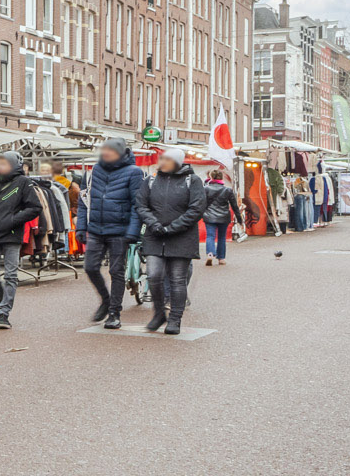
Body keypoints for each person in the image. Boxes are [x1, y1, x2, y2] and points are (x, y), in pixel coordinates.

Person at [137, 145, 206, 334]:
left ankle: (175, 319)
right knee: (153, 275)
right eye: (162, 159)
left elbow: (196, 209)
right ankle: (159, 313)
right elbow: (141, 205)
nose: (162, 163)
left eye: (167, 160)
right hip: (155, 235)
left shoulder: (193, 181)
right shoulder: (150, 180)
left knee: (177, 279)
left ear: (177, 162)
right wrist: (154, 224)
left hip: (181, 238)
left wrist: (172, 228)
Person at [77, 136, 144, 330]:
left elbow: (137, 204)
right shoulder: (94, 171)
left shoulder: (134, 172)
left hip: (120, 230)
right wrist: (81, 226)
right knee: (90, 267)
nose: (106, 154)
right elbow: (84, 200)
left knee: (116, 271)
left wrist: (132, 231)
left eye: (111, 151)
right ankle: (106, 301)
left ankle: (114, 312)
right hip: (96, 229)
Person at [0, 150, 44, 331]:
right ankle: (1, 300)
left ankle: (4, 313)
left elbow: (35, 207)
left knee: (11, 275)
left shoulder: (23, 183)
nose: (0, 167)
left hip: (11, 235)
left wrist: (13, 220)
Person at [201, 168, 239, 265]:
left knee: (210, 236)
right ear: (221, 178)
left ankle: (210, 254)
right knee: (222, 237)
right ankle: (221, 258)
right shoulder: (228, 190)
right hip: (223, 217)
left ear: (211, 177)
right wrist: (240, 219)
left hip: (209, 216)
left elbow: (201, 203)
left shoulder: (206, 189)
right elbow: (234, 206)